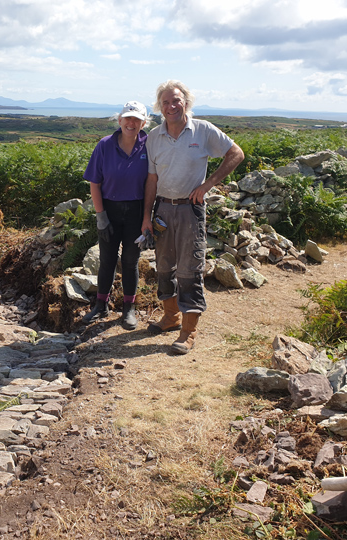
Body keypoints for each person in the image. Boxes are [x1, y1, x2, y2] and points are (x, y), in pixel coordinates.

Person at [142, 80, 245, 354]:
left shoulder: (203, 130)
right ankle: (171, 317)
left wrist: (208, 184)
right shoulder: (154, 136)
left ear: (186, 102)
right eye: (165, 102)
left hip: (190, 209)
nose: (171, 106)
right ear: (159, 107)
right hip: (162, 209)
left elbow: (236, 153)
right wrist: (146, 216)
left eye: (176, 100)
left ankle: (188, 332)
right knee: (164, 267)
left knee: (189, 270)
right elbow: (151, 179)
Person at [82, 101, 149, 330]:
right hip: (109, 209)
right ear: (119, 120)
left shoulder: (149, 146)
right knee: (107, 259)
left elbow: (153, 183)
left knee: (131, 261)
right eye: (127, 118)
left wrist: (148, 218)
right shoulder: (105, 145)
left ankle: (128, 309)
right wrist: (101, 216)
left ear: (144, 123)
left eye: (137, 119)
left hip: (137, 211)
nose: (131, 123)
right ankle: (101, 305)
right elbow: (95, 182)